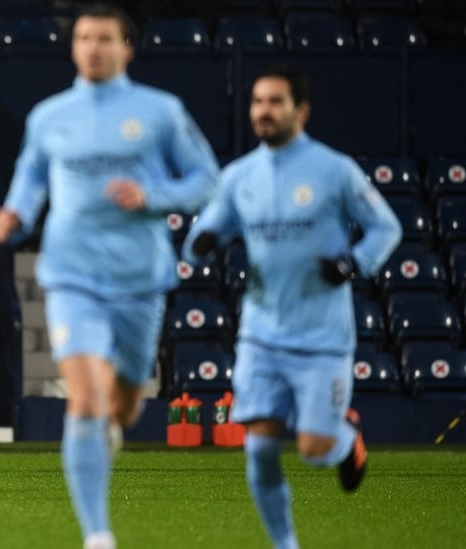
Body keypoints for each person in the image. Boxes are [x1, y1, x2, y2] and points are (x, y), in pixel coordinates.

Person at [0, 5, 219, 548]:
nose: (93, 47)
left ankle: (114, 424)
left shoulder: (160, 112)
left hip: (140, 275)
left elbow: (207, 180)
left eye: (104, 38)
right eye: (84, 38)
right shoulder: (49, 116)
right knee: (85, 398)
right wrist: (14, 216)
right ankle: (97, 534)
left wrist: (155, 197)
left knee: (125, 405)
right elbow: (30, 179)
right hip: (71, 274)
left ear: (126, 48)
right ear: (73, 48)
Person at [182, 65, 402, 549]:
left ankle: (345, 441)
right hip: (261, 334)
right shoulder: (239, 176)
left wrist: (353, 263)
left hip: (322, 337)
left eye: (275, 101)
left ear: (300, 111)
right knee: (258, 448)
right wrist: (199, 244)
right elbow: (206, 231)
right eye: (258, 101)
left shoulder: (334, 170)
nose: (264, 110)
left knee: (314, 449)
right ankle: (286, 545)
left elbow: (387, 227)